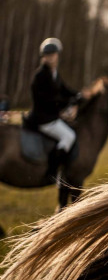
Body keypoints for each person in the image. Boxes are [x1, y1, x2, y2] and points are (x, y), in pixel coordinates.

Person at [23, 38, 80, 179]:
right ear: (44, 57)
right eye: (48, 55)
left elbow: (64, 89)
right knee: (69, 136)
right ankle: (53, 171)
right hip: (44, 119)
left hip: (51, 116)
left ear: (57, 55)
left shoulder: (54, 74)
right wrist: (69, 102)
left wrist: (79, 95)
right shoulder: (41, 76)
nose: (51, 57)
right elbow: (49, 99)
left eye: (53, 54)